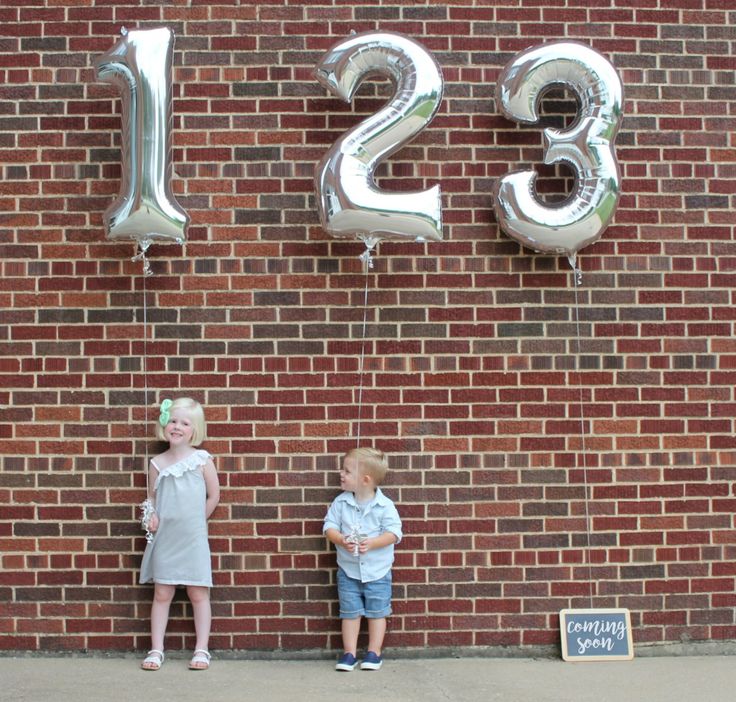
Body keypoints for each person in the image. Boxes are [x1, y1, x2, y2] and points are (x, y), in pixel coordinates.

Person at [139, 397, 220, 672]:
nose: (177, 427)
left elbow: (214, 495)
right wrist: (152, 515)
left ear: (194, 430)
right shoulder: (157, 463)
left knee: (199, 592)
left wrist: (199, 520)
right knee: (162, 593)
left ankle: (201, 649)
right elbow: (151, 496)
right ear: (164, 424)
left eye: (184, 423)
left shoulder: (201, 460)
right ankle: (156, 648)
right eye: (173, 421)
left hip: (193, 537)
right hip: (166, 537)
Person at [323, 447, 402, 671]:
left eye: (347, 471)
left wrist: (372, 542)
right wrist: (340, 539)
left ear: (365, 480)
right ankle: (349, 653)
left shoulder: (385, 506)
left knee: (377, 613)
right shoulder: (341, 503)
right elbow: (328, 527)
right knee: (350, 613)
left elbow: (394, 533)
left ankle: (373, 653)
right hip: (348, 571)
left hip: (378, 571)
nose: (341, 474)